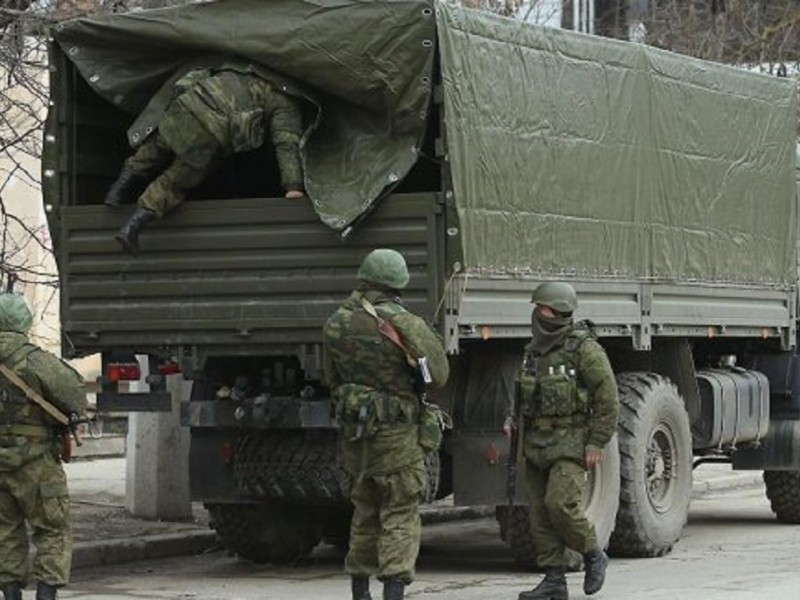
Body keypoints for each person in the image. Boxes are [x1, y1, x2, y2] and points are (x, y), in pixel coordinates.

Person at [322, 249, 449, 600]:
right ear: (399, 284)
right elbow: (438, 376)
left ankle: (359, 590)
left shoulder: (336, 322)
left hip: (357, 436)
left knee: (364, 511)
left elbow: (331, 378)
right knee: (399, 513)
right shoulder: (405, 324)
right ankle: (393, 591)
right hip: (398, 437)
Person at [105, 63, 306, 254]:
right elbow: (286, 144)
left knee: (154, 149)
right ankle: (131, 227)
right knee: (173, 182)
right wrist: (293, 186)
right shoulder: (284, 101)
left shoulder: (240, 68)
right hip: (209, 133)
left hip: (185, 106)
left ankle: (116, 192)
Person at [515, 282, 619, 600]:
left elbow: (608, 397)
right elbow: (522, 395)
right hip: (536, 442)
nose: (537, 314)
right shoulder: (532, 351)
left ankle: (592, 553)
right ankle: (554, 580)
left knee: (559, 504)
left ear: (558, 313)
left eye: (542, 309)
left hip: (571, 441)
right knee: (538, 513)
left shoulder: (583, 349)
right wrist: (513, 422)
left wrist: (596, 442)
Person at [0, 293, 87, 600]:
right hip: (36, 462)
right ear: (23, 322)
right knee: (52, 529)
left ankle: (10, 595)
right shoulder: (35, 360)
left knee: (5, 533)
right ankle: (46, 595)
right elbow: (75, 395)